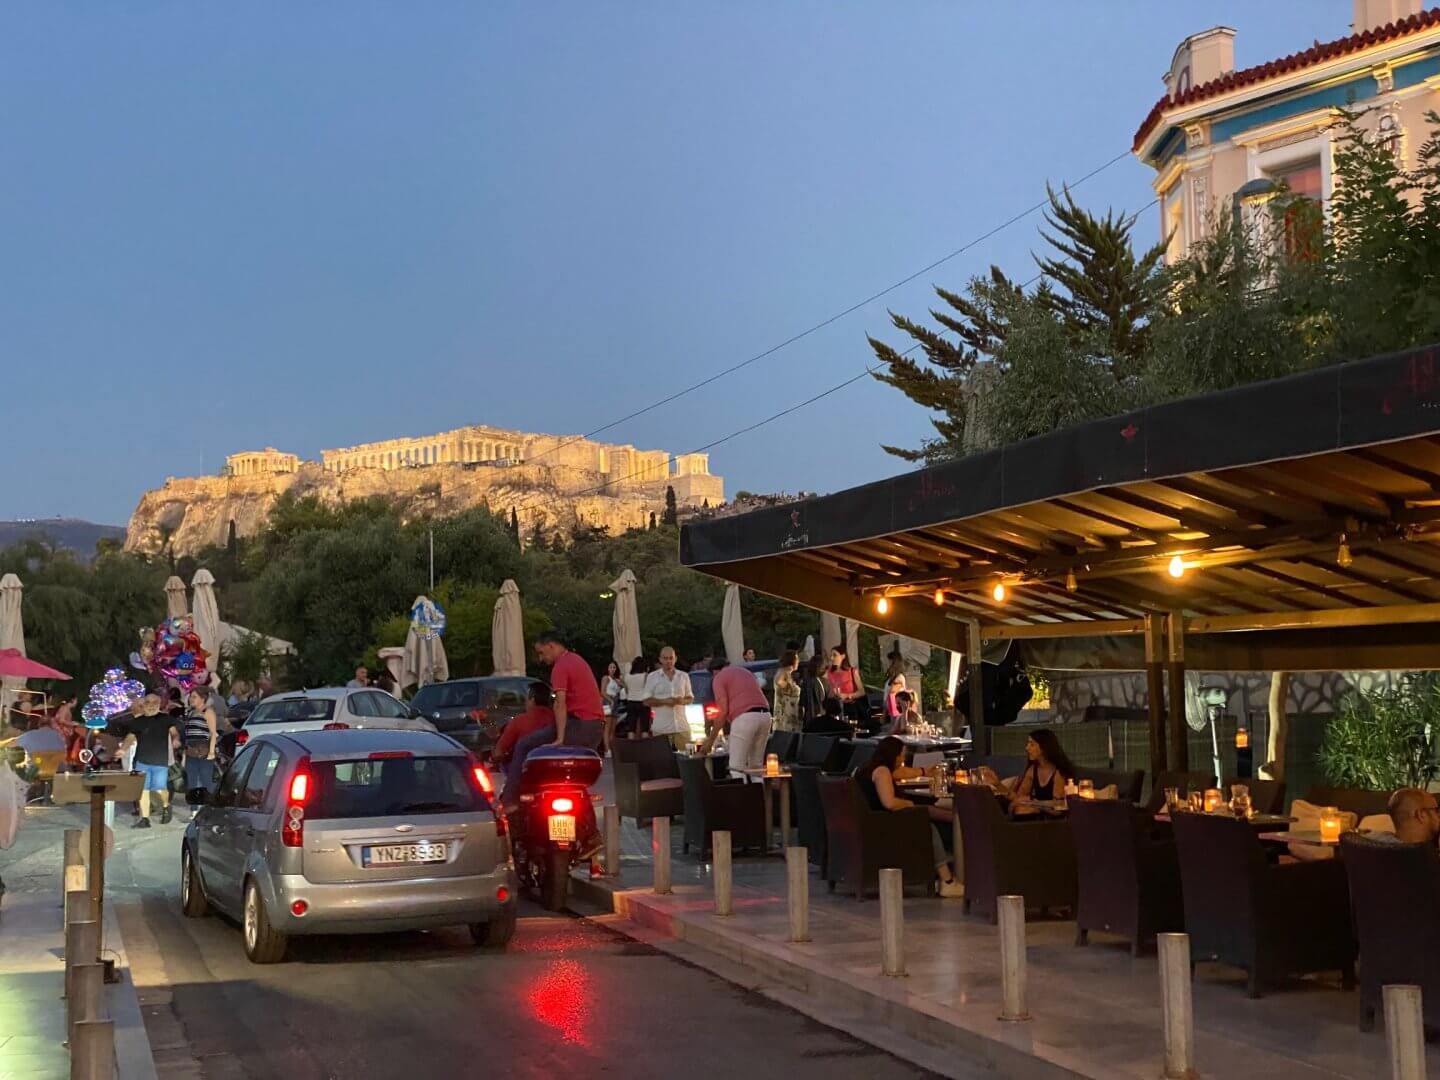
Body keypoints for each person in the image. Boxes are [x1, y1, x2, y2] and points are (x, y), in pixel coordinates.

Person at [858, 736, 963, 897]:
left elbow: (902, 772)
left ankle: (958, 821)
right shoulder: (882, 772)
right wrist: (909, 805)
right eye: (901, 755)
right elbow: (889, 803)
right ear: (894, 755)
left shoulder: (869, 769)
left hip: (873, 822)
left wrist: (924, 771)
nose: (903, 759)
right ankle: (947, 881)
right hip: (885, 824)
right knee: (927, 826)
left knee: (927, 810)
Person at [505, 631, 606, 799]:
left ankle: (511, 799)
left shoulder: (561, 666)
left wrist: (559, 738)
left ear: (551, 646)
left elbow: (560, 703)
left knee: (524, 745)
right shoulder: (576, 660)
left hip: (580, 725)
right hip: (595, 727)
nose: (541, 659)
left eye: (541, 653)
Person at [108, 692, 183, 827]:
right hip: (142, 760)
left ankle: (166, 805)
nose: (152, 706)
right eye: (149, 702)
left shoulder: (165, 719)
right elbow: (131, 737)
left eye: (155, 703)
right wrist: (123, 749)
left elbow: (174, 732)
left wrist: (176, 739)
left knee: (159, 788)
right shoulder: (138, 722)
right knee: (143, 790)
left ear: (159, 705)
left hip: (160, 760)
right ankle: (145, 819)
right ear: (144, 705)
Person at [707, 656, 772, 774]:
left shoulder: (719, 677)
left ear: (714, 672)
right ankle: (758, 791)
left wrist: (710, 741)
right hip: (765, 715)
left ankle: (740, 792)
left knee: (736, 766)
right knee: (756, 766)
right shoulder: (746, 672)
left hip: (745, 717)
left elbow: (723, 710)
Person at [491, 684, 556, 779]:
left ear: (532, 700)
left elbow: (500, 750)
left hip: (525, 773)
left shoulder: (519, 721)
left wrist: (496, 758)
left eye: (527, 699)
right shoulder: (557, 720)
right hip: (553, 771)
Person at [644, 646, 694, 751]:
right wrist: (665, 701)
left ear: (675, 659)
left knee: (686, 760)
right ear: (660, 659)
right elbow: (646, 701)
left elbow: (690, 698)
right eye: (665, 658)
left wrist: (682, 701)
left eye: (671, 658)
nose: (668, 661)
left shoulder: (683, 676)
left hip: (681, 727)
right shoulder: (652, 677)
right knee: (663, 763)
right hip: (661, 729)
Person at [181, 687, 219, 817]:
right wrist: (184, 756)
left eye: (194, 697)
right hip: (191, 751)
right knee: (191, 781)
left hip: (204, 750)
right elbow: (188, 735)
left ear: (202, 698)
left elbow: (213, 733)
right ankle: (194, 809)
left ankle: (213, 806)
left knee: (206, 780)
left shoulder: (207, 712)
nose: (191, 699)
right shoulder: (191, 713)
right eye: (191, 697)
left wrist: (211, 752)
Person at [1013, 729, 1077, 805]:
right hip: (1038, 809)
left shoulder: (1058, 772)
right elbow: (1020, 797)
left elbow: (1058, 805)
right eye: (1028, 744)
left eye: (1032, 744)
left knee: (1023, 811)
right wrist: (998, 785)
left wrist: (1034, 802)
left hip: (1053, 813)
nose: (1026, 748)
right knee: (1020, 810)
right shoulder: (1032, 769)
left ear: (1043, 747)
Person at [826, 646, 868, 729]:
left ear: (843, 656)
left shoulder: (852, 671)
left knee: (852, 729)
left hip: (851, 707)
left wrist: (847, 695)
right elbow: (828, 689)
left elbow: (862, 691)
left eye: (835, 655)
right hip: (836, 708)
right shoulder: (829, 672)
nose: (831, 658)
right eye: (831, 655)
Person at [796, 656, 830, 731]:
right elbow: (827, 701)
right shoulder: (824, 682)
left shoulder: (806, 682)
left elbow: (802, 703)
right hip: (821, 718)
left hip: (808, 720)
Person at [772, 650, 801, 733]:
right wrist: (787, 686)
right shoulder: (783, 672)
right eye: (797, 659)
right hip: (785, 719)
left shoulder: (788, 674)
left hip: (791, 717)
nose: (798, 661)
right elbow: (779, 681)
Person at [622, 658, 651, 739]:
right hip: (643, 702)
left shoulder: (627, 676)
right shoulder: (645, 676)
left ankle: (631, 748)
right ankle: (645, 747)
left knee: (631, 728)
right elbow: (648, 689)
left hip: (630, 702)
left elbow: (626, 690)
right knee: (644, 728)